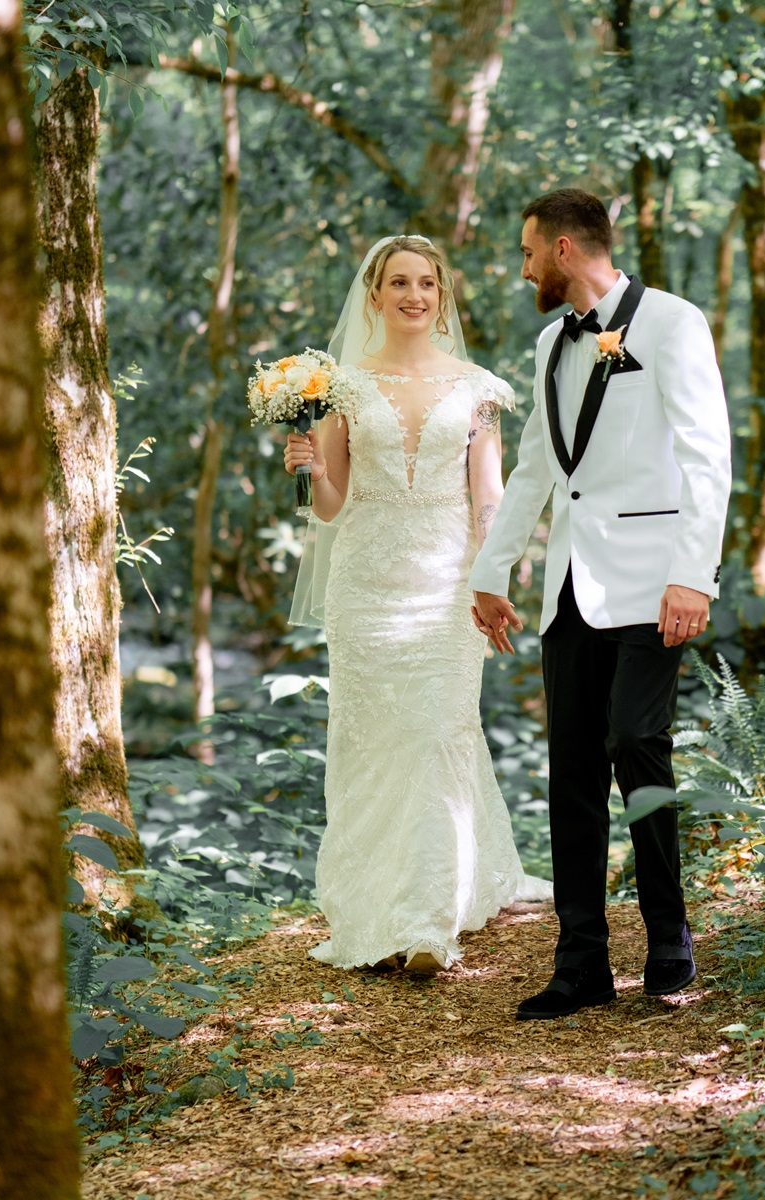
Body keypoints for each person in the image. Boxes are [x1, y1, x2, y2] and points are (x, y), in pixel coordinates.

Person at [469, 189, 732, 1021]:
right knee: (572, 771)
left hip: (658, 583)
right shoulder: (551, 341)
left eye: (526, 252)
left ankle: (668, 935)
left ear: (564, 248)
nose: (522, 268)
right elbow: (537, 473)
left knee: (636, 740)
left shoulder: (674, 323)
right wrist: (492, 571)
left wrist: (695, 575)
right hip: (571, 590)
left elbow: (707, 455)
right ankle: (580, 960)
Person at [283, 234, 552, 975]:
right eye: (398, 282)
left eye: (426, 283)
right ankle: (373, 903)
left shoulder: (478, 389)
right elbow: (335, 506)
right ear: (374, 296)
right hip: (365, 591)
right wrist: (310, 467)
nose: (414, 295)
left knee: (438, 736)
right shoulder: (340, 388)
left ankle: (427, 923)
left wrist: (493, 580)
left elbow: (489, 500)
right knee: (374, 747)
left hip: (445, 591)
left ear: (442, 296)